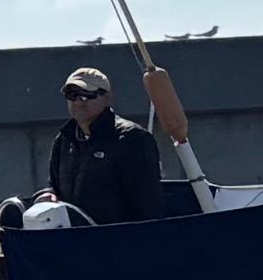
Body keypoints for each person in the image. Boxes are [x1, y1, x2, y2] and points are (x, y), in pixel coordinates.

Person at [45, 64, 182, 225]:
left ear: (107, 97)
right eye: (72, 95)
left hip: (118, 240)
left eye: (87, 95)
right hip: (75, 241)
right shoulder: (63, 140)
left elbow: (149, 205)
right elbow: (54, 187)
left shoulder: (131, 138)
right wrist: (47, 196)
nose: (78, 102)